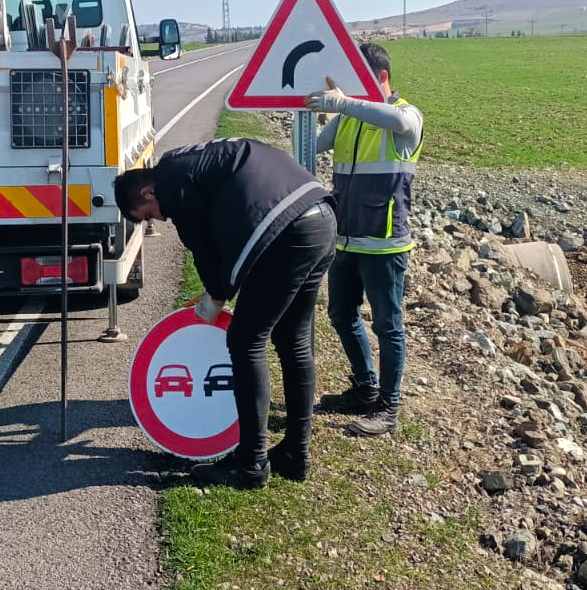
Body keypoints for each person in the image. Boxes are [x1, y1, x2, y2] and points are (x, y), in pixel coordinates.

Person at [114, 138, 335, 488]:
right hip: (320, 215)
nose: (163, 218)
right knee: (293, 340)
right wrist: (222, 286)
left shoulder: (170, 182)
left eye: (150, 215)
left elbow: (201, 245)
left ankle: (250, 464)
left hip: (286, 230)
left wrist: (214, 298)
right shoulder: (189, 159)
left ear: (146, 193)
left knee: (246, 340)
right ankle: (295, 452)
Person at [305, 42, 424, 436]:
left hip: (385, 243)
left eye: (358, 80)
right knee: (340, 314)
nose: (350, 90)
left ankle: (388, 408)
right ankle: (365, 388)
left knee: (388, 326)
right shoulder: (349, 118)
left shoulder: (406, 114)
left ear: (382, 77)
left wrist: (343, 104)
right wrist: (303, 111)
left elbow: (401, 123)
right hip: (347, 238)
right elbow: (313, 147)